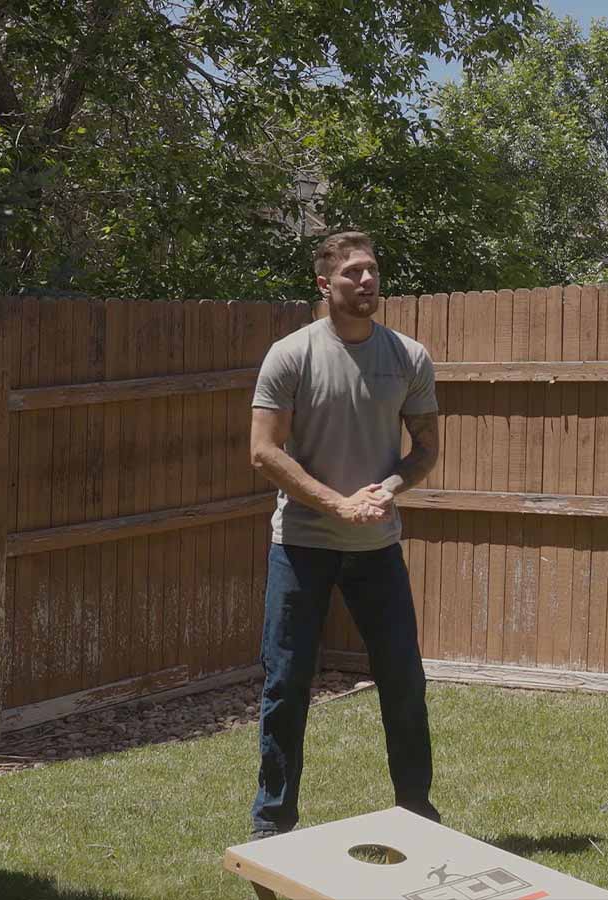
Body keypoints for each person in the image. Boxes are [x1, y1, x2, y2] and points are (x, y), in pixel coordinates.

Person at [247, 230, 442, 838]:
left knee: (404, 679)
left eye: (372, 271)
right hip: (301, 545)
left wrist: (389, 488)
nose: (366, 281)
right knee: (286, 684)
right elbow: (263, 452)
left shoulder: (409, 356)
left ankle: (417, 812)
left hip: (376, 548)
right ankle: (273, 824)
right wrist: (336, 503)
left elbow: (426, 449)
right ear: (324, 284)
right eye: (353, 272)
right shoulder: (292, 354)